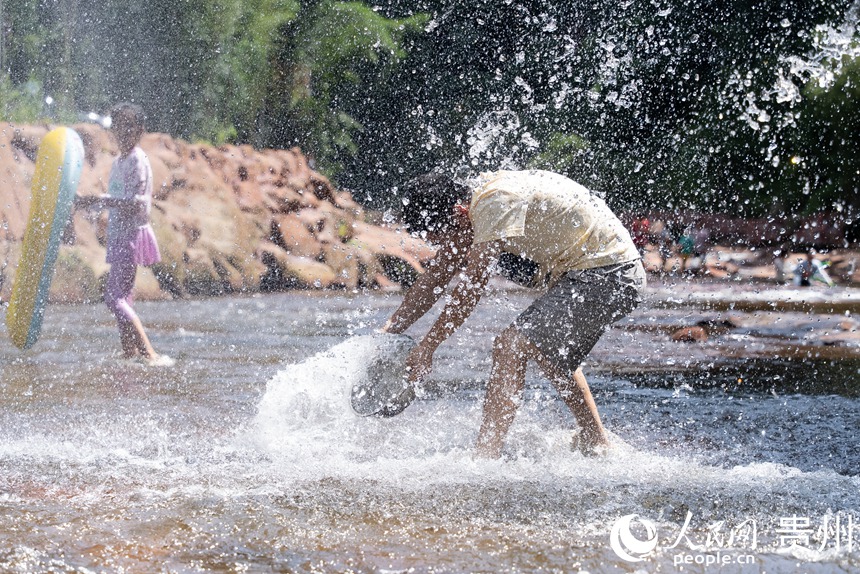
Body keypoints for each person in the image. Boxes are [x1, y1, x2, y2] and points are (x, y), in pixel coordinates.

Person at [382, 170, 646, 458]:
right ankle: (596, 443)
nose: (447, 244)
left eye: (446, 235)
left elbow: (469, 290)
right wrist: (388, 329)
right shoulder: (475, 206)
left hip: (612, 274)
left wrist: (428, 347)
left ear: (459, 212)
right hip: (586, 272)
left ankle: (486, 457)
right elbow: (438, 274)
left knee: (512, 344)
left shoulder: (494, 201)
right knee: (547, 348)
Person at [75, 103, 172, 366]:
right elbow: (115, 199)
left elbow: (138, 202)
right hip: (119, 235)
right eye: (117, 127)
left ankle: (150, 354)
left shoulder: (137, 160)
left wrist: (102, 199)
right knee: (124, 297)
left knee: (113, 297)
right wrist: (89, 203)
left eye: (129, 128)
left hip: (132, 236)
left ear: (140, 131)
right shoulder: (119, 161)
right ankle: (130, 352)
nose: (122, 133)